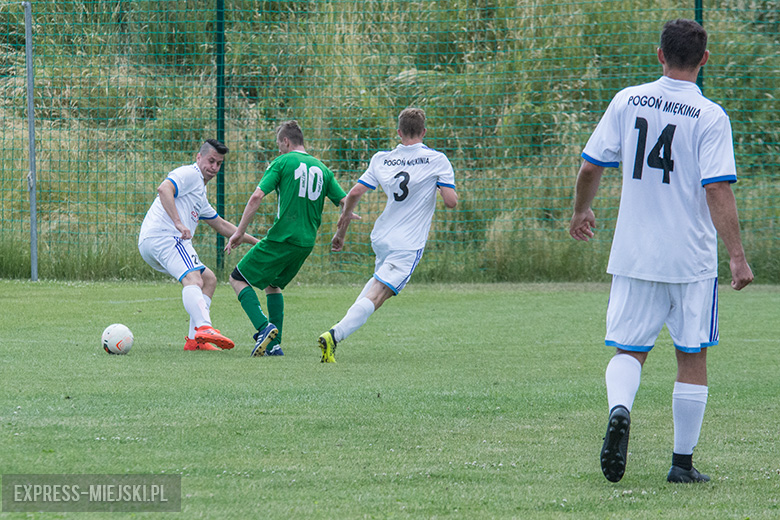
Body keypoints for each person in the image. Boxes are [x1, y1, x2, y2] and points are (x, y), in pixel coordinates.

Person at [569, 19, 754, 484]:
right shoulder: (710, 115)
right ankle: (681, 465)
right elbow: (717, 189)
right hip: (690, 260)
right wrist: (736, 255)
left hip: (634, 253)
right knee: (692, 355)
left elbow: (590, 167)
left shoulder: (627, 100)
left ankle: (620, 408)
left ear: (659, 55)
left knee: (629, 350)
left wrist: (581, 211)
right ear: (704, 60)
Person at [318, 107, 458, 363]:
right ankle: (334, 335)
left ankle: (338, 332)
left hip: (382, 237)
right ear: (424, 132)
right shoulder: (437, 160)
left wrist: (342, 228)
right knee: (380, 294)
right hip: (407, 243)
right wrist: (439, 186)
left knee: (376, 286)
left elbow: (354, 194)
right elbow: (451, 202)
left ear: (399, 132)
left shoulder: (382, 159)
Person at [224, 120, 353, 357]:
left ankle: (264, 328)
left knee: (237, 278)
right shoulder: (323, 169)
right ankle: (273, 345)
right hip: (306, 243)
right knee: (272, 284)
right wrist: (340, 233)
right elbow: (347, 203)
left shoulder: (282, 162)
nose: (279, 149)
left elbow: (256, 196)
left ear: (286, 141)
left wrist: (240, 232)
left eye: (279, 144)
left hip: (283, 237)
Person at [139, 139, 258, 351]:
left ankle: (195, 341)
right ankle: (204, 327)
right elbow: (164, 188)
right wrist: (178, 223)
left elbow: (221, 224)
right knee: (193, 278)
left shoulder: (199, 194)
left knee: (208, 279)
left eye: (219, 163)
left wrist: (255, 242)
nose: (214, 167)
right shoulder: (190, 174)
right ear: (199, 157)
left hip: (154, 241)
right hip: (165, 236)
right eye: (211, 161)